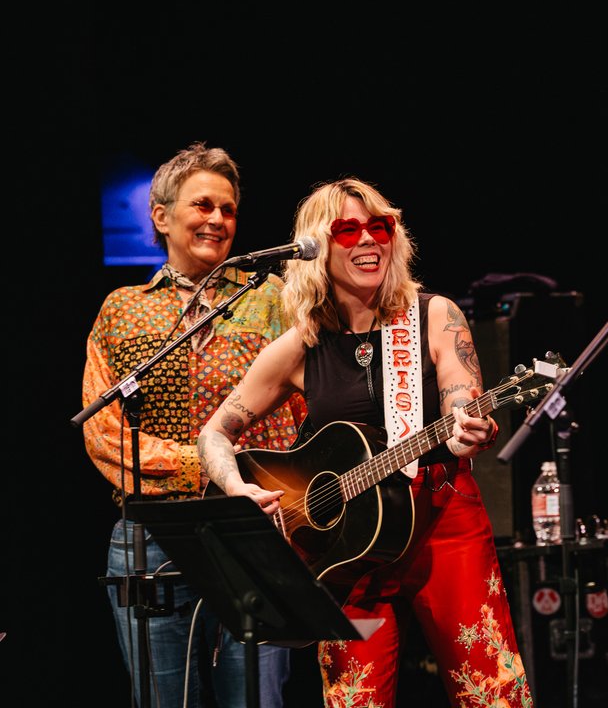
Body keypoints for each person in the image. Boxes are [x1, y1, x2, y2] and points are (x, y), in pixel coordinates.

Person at [196, 177, 533, 707]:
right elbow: (216, 431)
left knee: (491, 691)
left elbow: (459, 400)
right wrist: (237, 488)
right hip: (346, 554)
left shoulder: (434, 315)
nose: (368, 240)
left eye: (379, 227)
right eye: (347, 230)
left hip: (442, 525)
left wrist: (467, 429)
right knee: (356, 700)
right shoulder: (301, 345)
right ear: (317, 248)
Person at [81, 142, 305, 707]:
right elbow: (103, 434)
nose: (218, 220)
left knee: (255, 700)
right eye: (203, 206)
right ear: (161, 217)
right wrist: (202, 464)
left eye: (228, 210)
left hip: (251, 529)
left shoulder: (275, 300)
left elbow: (309, 415)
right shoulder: (122, 308)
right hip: (151, 537)